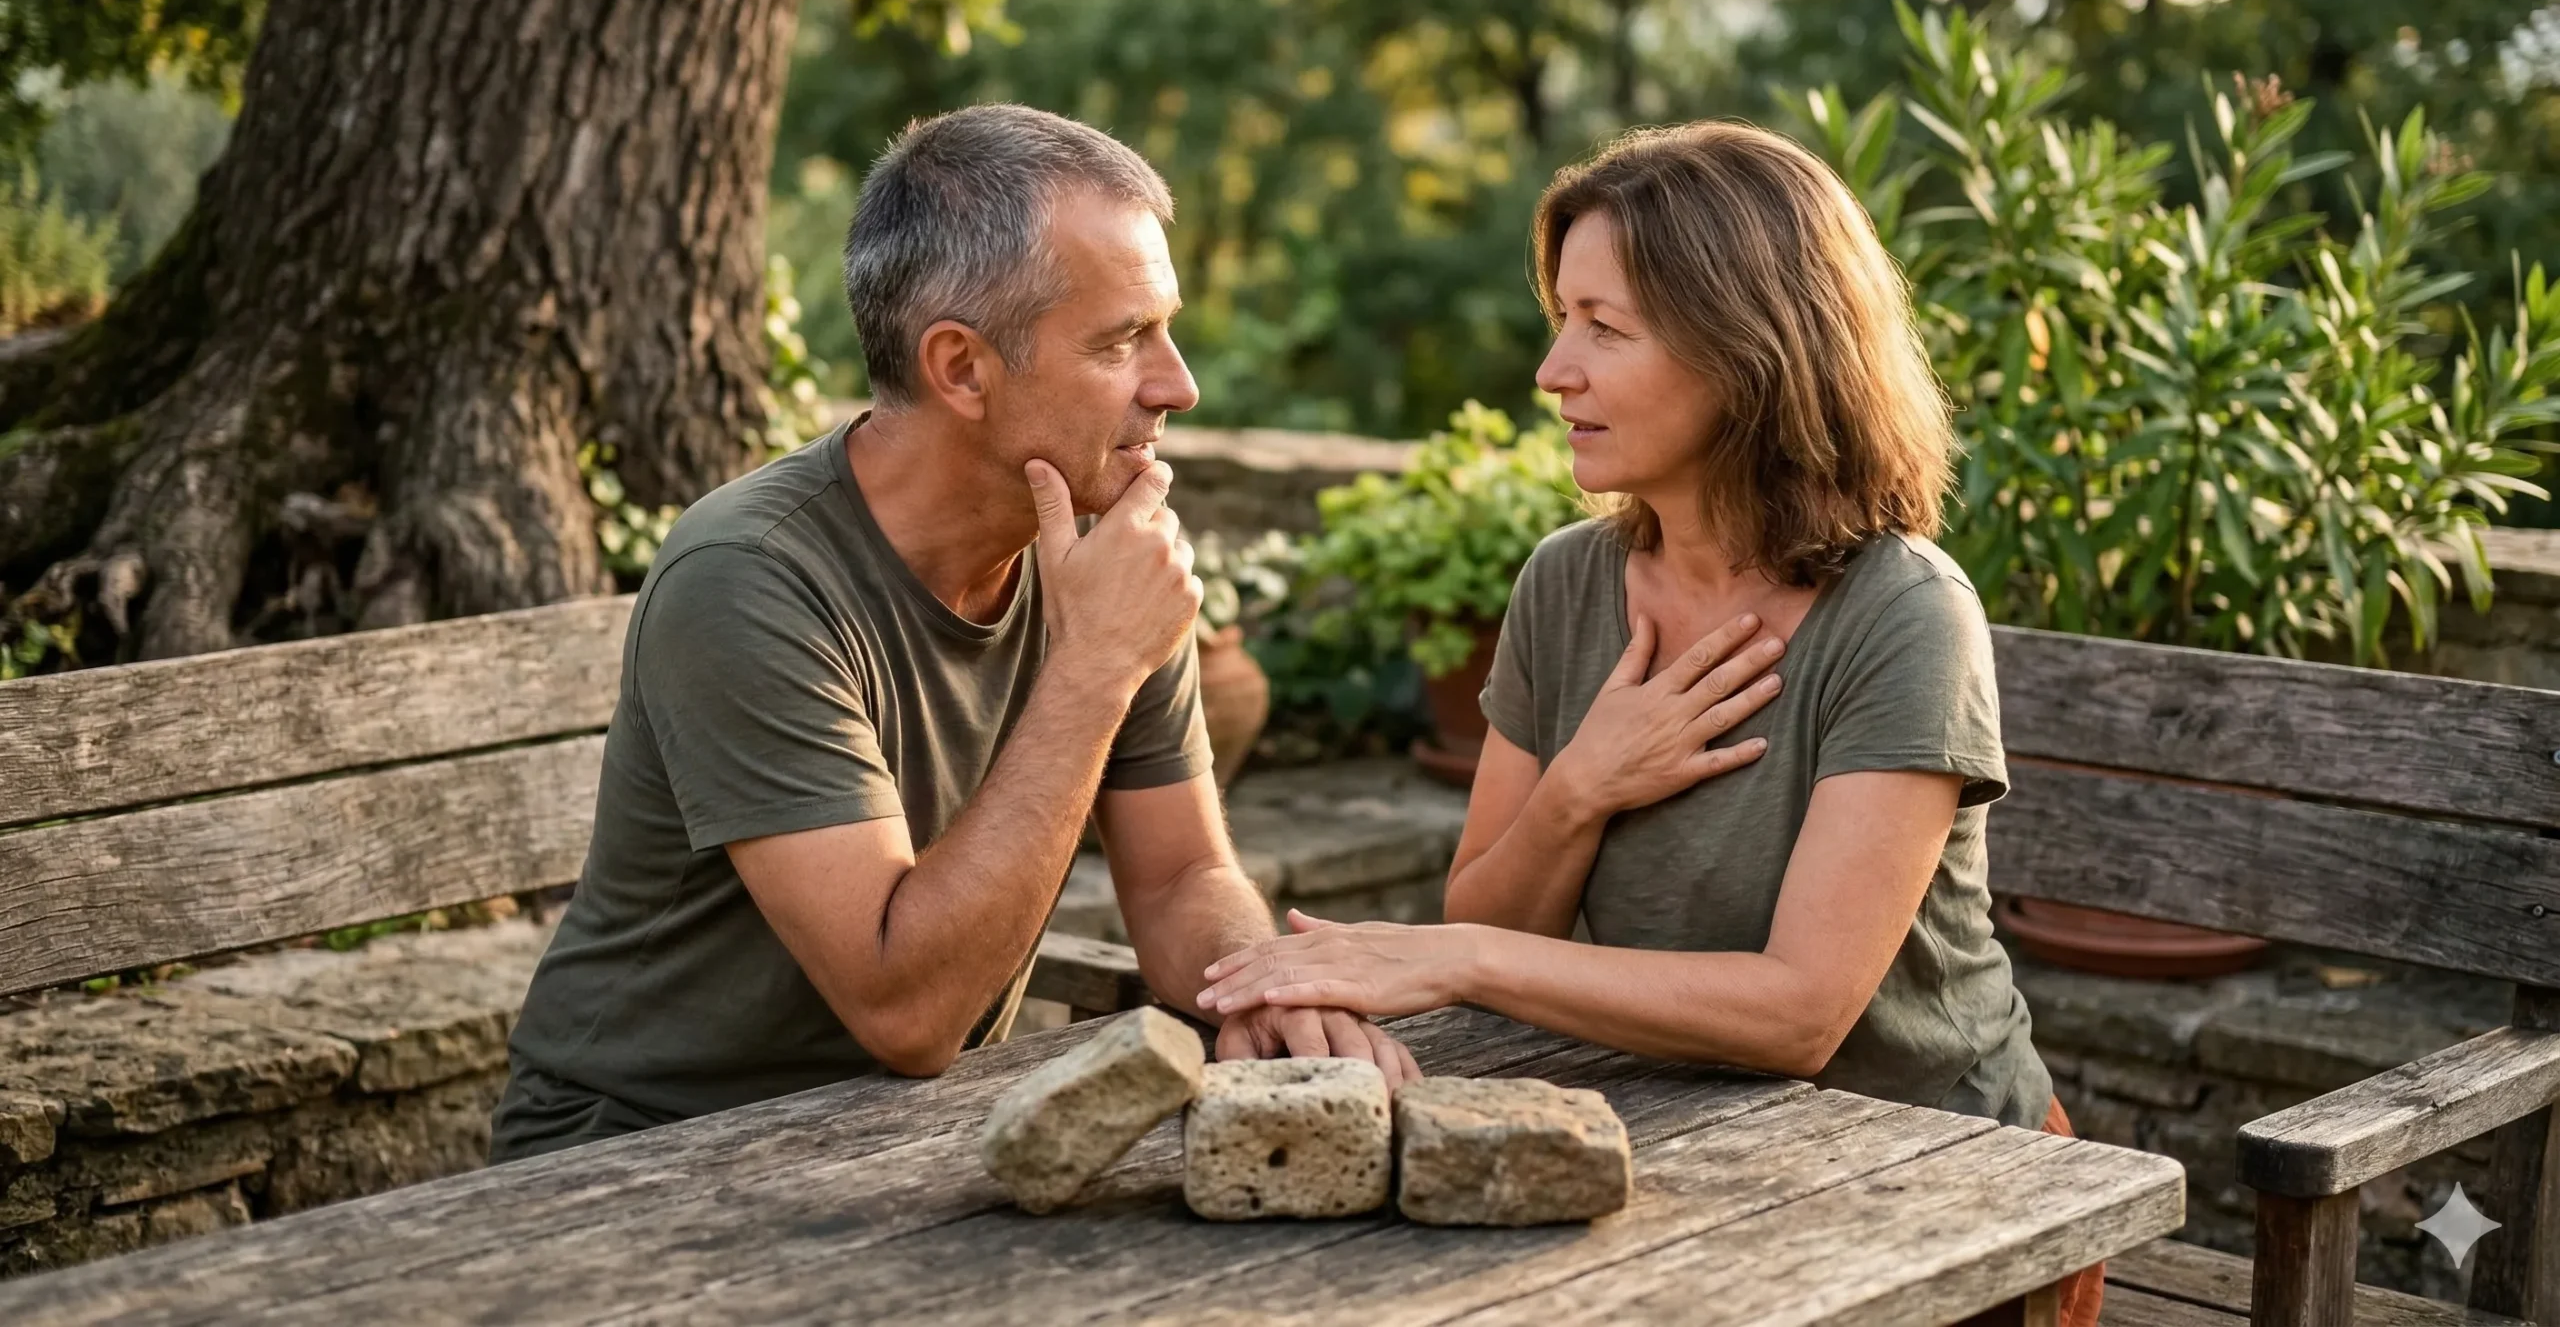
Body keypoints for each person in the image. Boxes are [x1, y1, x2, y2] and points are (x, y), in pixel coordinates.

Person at [1196, 121, 2099, 1325]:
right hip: (1679, 1139)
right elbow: (1496, 914)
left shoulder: (1902, 612)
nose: (1552, 369)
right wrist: (1582, 784)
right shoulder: (1566, 584)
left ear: (1751, 352)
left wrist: (1450, 958)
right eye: (1560, 318)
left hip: (1938, 1175)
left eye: (1604, 328)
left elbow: (1797, 1013)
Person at [491, 104, 1416, 1163]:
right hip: (637, 1154)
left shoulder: (1101, 543)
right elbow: (907, 1009)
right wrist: (1096, 666)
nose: (1178, 385)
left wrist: (1265, 987)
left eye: (1164, 329)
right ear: (962, 368)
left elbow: (1176, 880)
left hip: (907, 1134)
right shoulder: (750, 576)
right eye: (1122, 341)